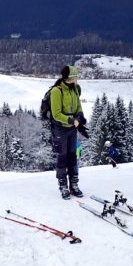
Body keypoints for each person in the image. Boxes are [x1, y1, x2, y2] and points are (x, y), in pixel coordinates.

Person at [50, 65, 86, 199]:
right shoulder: (56, 91)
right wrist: (72, 120)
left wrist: (80, 117)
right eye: (75, 76)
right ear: (69, 78)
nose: (77, 78)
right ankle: (63, 185)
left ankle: (74, 184)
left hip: (72, 128)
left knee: (72, 156)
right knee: (62, 157)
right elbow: (56, 114)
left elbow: (78, 107)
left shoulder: (75, 89)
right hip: (59, 128)